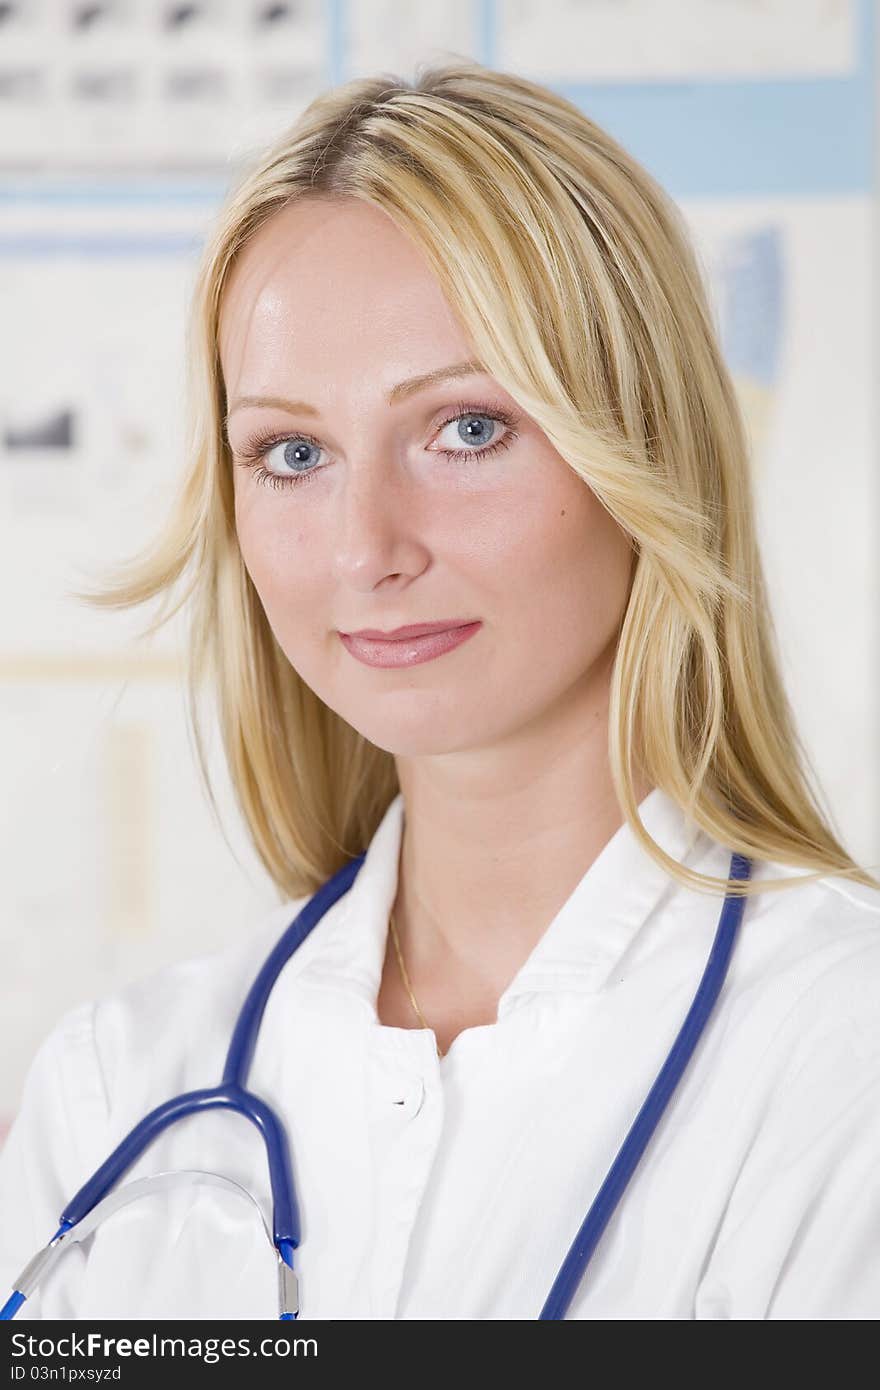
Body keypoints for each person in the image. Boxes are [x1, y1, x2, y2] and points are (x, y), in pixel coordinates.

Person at [2, 60, 879, 1322]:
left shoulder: (836, 1060)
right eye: (292, 453)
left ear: (639, 445)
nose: (367, 546)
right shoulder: (116, 1093)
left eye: (466, 429)